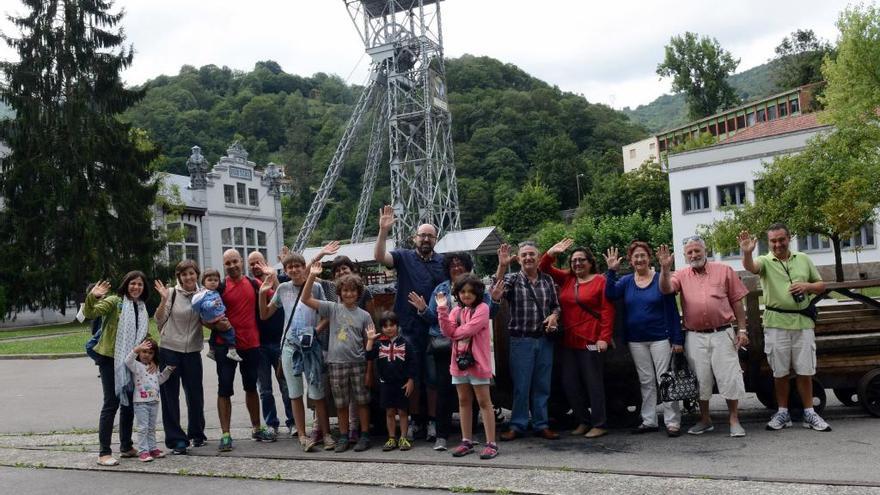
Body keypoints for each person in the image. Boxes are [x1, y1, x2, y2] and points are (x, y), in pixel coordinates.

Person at [740, 224, 831, 432]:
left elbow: (821, 285)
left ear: (789, 238)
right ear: (768, 242)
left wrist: (806, 286)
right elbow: (751, 267)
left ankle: (809, 412)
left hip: (802, 323)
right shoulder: (765, 260)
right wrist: (746, 253)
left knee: (805, 371)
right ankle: (782, 412)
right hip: (776, 324)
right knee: (779, 372)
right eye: (773, 241)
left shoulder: (803, 258)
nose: (777, 244)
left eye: (781, 239)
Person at [658, 238, 749, 437]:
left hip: (722, 332)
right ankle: (705, 419)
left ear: (705, 250)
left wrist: (742, 331)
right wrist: (665, 269)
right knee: (701, 380)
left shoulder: (724, 270)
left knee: (729, 377)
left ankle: (734, 419)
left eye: (697, 251)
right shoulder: (680, 275)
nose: (694, 255)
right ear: (684, 256)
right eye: (689, 253)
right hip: (694, 335)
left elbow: (737, 302)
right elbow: (665, 289)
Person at [408, 251, 494, 451]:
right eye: (452, 264)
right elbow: (441, 323)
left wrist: (454, 332)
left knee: (480, 399)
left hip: (475, 355)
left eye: (460, 263)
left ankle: (485, 440)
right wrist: (428, 309)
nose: (456, 267)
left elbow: (474, 324)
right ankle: (451, 437)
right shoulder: (442, 291)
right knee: (446, 393)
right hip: (448, 351)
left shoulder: (481, 303)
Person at [374, 205, 446, 440]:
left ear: (436, 239)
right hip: (407, 328)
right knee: (411, 377)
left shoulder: (442, 262)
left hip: (434, 328)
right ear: (415, 238)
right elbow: (379, 257)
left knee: (433, 379)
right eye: (422, 235)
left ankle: (434, 421)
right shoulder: (404, 257)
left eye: (430, 235)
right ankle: (416, 421)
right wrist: (383, 231)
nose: (426, 239)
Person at [604, 242, 684, 437]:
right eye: (635, 257)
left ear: (649, 258)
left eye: (643, 256)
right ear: (630, 261)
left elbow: (672, 311)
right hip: (636, 340)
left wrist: (676, 339)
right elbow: (610, 293)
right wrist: (611, 271)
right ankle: (649, 420)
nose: (639, 260)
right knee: (646, 381)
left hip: (660, 338)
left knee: (665, 378)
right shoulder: (626, 281)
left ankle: (672, 422)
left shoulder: (660, 279)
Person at [258, 254, 333, 452]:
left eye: (297, 266)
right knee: (295, 393)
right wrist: (261, 293)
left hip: (311, 346)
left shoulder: (315, 287)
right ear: (286, 270)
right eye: (289, 267)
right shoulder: (282, 289)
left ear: (303, 267)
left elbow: (327, 315)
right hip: (290, 346)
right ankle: (302, 435)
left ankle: (326, 434)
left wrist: (315, 332)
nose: (293, 270)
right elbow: (265, 314)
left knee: (317, 392)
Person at [540, 238, 615, 439]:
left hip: (591, 340)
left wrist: (604, 338)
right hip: (569, 340)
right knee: (569, 383)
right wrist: (552, 252)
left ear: (590, 262)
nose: (577, 263)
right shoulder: (567, 279)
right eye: (574, 260)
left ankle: (600, 423)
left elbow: (607, 311)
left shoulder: (601, 281)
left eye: (582, 260)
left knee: (593, 383)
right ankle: (583, 420)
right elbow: (543, 267)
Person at [490, 241, 561, 441]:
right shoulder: (513, 279)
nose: (528, 258)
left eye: (532, 254)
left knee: (542, 385)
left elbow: (556, 306)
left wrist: (554, 316)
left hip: (545, 341)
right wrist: (502, 266)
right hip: (521, 341)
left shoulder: (547, 280)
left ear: (538, 258)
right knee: (521, 386)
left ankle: (541, 424)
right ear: (519, 259)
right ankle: (518, 424)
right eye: (524, 255)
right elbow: (496, 292)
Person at [302, 261, 374, 452]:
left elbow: (370, 345)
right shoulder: (332, 308)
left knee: (362, 401)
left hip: (358, 362)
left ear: (358, 293)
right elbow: (306, 299)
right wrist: (311, 276)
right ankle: (343, 436)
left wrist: (369, 369)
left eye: (353, 291)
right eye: (345, 291)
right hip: (336, 363)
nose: (349, 294)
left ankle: (364, 435)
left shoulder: (365, 315)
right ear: (340, 292)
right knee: (341, 403)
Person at [84, 272, 154, 466]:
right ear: (126, 285)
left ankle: (126, 446)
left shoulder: (141, 307)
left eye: (140, 284)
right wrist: (94, 296)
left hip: (132, 360)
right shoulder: (115, 301)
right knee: (111, 403)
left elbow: (144, 334)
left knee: (129, 403)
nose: (136, 287)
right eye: (133, 283)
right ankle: (104, 452)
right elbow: (90, 313)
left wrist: (151, 358)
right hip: (110, 359)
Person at [214, 249, 277, 452]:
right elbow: (204, 316)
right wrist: (215, 326)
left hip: (251, 344)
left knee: (251, 388)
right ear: (224, 265)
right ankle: (225, 434)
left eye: (235, 261)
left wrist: (272, 276)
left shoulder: (253, 283)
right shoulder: (220, 288)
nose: (232, 266)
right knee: (224, 390)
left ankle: (257, 428)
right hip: (226, 346)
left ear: (241, 261)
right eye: (227, 263)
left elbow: (275, 297)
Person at [438, 274, 498, 459]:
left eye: (471, 291)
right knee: (463, 401)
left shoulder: (483, 308)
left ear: (478, 292)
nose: (466, 295)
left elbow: (470, 329)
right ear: (457, 293)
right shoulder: (456, 311)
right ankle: (466, 441)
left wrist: (454, 332)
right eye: (463, 291)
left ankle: (491, 443)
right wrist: (441, 310)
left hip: (478, 363)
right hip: (459, 363)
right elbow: (445, 331)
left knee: (484, 402)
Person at [154, 260, 207, 455]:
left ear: (197, 274)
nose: (188, 277)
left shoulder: (203, 294)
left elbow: (209, 317)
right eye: (184, 274)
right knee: (170, 397)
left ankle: (197, 433)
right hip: (169, 350)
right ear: (179, 277)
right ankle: (177, 440)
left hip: (192, 350)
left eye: (191, 273)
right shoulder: (171, 293)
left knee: (195, 394)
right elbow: (159, 319)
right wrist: (162, 300)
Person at [249, 251, 295, 438]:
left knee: (286, 385)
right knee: (265, 389)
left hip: (280, 341)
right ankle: (271, 424)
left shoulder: (280, 279)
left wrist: (273, 276)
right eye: (251, 264)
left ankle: (293, 421)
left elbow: (283, 297)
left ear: (265, 262)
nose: (255, 266)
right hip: (258, 344)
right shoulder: (250, 284)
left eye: (258, 262)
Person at [365, 311, 417, 452]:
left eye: (392, 325)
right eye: (385, 326)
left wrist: (411, 380)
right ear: (381, 328)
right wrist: (370, 340)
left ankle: (404, 437)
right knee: (389, 412)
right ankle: (392, 437)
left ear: (397, 326)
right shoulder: (379, 344)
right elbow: (369, 355)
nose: (389, 328)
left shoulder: (406, 343)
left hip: (402, 383)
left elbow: (413, 363)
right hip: (386, 383)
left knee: (403, 412)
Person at [124, 338, 175, 462]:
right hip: (141, 403)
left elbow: (159, 380)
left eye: (150, 353)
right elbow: (128, 361)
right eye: (144, 352)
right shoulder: (136, 366)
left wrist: (168, 370)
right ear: (140, 352)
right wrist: (136, 350)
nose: (147, 355)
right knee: (143, 428)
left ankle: (152, 448)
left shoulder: (154, 367)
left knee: (151, 427)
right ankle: (143, 451)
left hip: (154, 401)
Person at [192, 269, 242, 362]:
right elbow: (204, 305)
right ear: (204, 282)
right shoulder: (205, 294)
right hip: (215, 317)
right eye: (210, 280)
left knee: (215, 333)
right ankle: (232, 350)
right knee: (230, 331)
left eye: (216, 280)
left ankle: (211, 350)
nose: (213, 282)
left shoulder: (214, 291)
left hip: (216, 316)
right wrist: (212, 304)